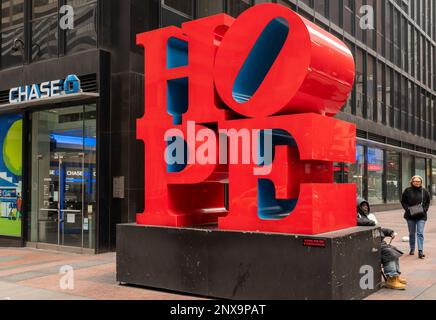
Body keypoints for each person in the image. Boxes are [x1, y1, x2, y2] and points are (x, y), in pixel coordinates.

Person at [357, 198, 406, 290]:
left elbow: (379, 228)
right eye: (363, 206)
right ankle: (391, 278)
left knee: (393, 249)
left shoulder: (367, 216)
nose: (365, 208)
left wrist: (390, 232)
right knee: (388, 252)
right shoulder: (358, 216)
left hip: (377, 242)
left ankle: (395, 276)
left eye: (366, 205)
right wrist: (372, 222)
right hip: (369, 244)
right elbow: (359, 222)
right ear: (358, 207)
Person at [401, 175, 430, 259]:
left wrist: (425, 209)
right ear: (412, 182)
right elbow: (403, 201)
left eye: (418, 181)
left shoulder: (424, 191)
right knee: (411, 233)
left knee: (420, 233)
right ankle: (412, 248)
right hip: (410, 216)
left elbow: (428, 201)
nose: (417, 183)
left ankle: (420, 251)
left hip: (421, 215)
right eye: (415, 181)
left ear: (421, 182)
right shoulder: (407, 190)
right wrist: (407, 209)